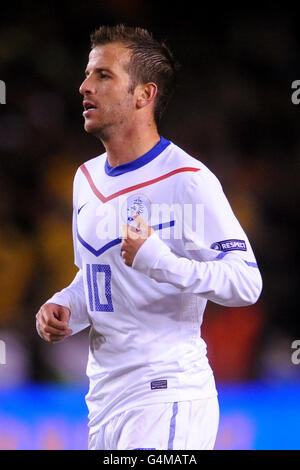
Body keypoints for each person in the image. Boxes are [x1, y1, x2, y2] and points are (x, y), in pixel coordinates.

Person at [36, 24, 263, 451]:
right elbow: (98, 278)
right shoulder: (84, 179)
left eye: (103, 76)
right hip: (104, 403)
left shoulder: (188, 181)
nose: (85, 86)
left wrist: (159, 259)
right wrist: (65, 304)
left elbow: (246, 283)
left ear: (144, 95)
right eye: (88, 74)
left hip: (167, 394)